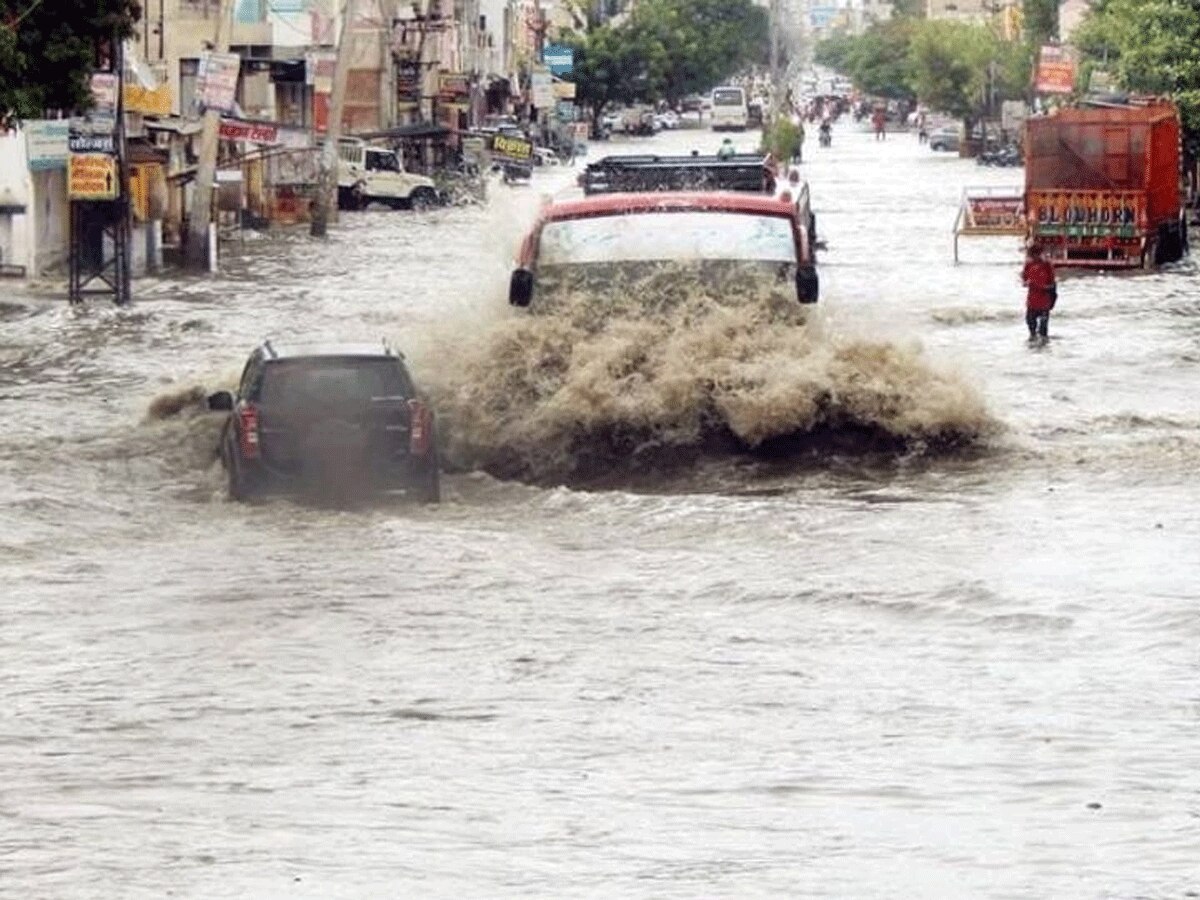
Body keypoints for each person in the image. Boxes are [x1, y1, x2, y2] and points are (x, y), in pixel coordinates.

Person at [1021, 243, 1057, 341]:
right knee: (1031, 327)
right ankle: (1034, 349)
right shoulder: (1028, 265)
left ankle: (1043, 351)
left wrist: (1044, 289)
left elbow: (1053, 284)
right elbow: (1024, 280)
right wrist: (1027, 283)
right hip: (1032, 302)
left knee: (1043, 331)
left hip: (1044, 302)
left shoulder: (1047, 265)